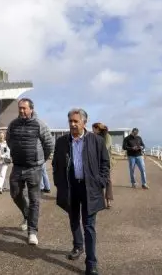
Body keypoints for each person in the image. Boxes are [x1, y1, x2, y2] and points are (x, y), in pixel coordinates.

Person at [52, 108, 109, 275]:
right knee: (73, 219)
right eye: (70, 121)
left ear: (84, 122)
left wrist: (101, 182)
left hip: (89, 188)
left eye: (76, 121)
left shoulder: (96, 141)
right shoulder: (62, 142)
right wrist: (59, 183)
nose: (73, 124)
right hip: (71, 187)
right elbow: (56, 164)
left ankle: (91, 263)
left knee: (89, 225)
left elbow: (105, 164)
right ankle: (78, 246)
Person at [6, 98, 54, 245]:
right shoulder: (13, 124)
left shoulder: (39, 124)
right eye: (20, 108)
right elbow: (9, 140)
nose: (22, 111)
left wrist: (40, 160)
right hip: (18, 166)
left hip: (34, 168)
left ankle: (32, 231)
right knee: (15, 193)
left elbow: (49, 144)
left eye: (24, 108)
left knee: (34, 200)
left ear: (31, 109)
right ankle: (27, 215)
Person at [92, 122, 115, 208]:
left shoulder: (107, 136)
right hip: (95, 161)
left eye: (93, 129)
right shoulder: (94, 137)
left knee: (107, 180)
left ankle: (108, 200)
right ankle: (98, 200)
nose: (92, 131)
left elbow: (106, 147)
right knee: (96, 179)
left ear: (97, 128)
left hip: (105, 161)